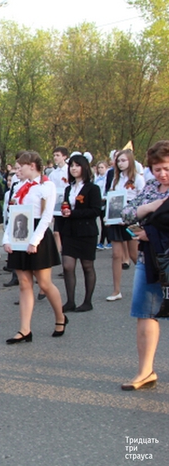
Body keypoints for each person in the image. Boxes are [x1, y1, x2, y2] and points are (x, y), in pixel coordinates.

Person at [119, 140, 169, 392]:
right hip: (148, 259)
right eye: (157, 169)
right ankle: (145, 371)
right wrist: (151, 207)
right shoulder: (150, 187)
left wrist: (152, 232)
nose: (162, 174)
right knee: (145, 314)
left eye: (166, 168)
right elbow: (126, 214)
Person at [3, 151, 66, 344]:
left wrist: (34, 241)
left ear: (32, 166)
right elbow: (12, 214)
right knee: (24, 283)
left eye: (20, 166)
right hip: (20, 232)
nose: (18, 170)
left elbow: (47, 217)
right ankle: (24, 329)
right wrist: (7, 238)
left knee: (44, 283)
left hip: (37, 233)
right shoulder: (19, 186)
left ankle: (60, 317)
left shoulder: (46, 186)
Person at [59, 155, 103, 312]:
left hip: (86, 232)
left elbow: (95, 210)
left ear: (84, 168)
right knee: (68, 266)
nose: (74, 168)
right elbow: (66, 206)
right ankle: (70, 301)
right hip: (69, 231)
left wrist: (74, 213)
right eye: (71, 165)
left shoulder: (92, 188)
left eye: (77, 165)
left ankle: (87, 301)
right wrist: (65, 212)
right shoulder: (68, 188)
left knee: (87, 266)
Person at [106, 149, 146, 301]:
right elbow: (112, 198)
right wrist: (108, 217)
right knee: (116, 255)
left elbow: (142, 199)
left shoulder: (138, 178)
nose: (120, 163)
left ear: (130, 161)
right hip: (116, 218)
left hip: (131, 218)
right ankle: (116, 290)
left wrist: (135, 217)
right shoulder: (115, 179)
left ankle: (151, 282)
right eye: (118, 161)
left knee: (134, 254)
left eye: (123, 160)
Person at [48, 146, 70, 253]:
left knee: (66, 229)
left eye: (58, 155)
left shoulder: (68, 171)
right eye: (54, 155)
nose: (55, 157)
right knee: (56, 231)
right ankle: (58, 253)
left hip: (66, 203)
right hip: (57, 204)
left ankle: (66, 250)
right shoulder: (53, 173)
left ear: (64, 157)